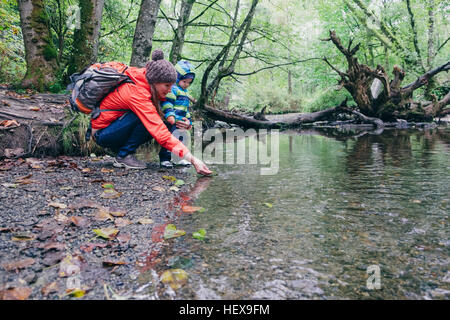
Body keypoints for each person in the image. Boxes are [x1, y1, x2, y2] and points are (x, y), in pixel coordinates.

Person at [90, 49, 211, 175]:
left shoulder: (148, 81)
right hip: (102, 134)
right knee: (146, 119)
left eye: (172, 85)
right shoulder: (137, 93)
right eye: (167, 85)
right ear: (155, 82)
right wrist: (193, 159)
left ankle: (124, 152)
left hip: (115, 127)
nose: (170, 90)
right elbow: (159, 130)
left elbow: (167, 113)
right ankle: (123, 156)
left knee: (165, 119)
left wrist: (186, 123)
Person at [159, 60, 197, 168]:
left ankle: (179, 158)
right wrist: (170, 115)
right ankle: (165, 159)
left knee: (182, 140)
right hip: (173, 121)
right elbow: (167, 103)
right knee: (170, 139)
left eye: (189, 82)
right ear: (177, 78)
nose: (187, 84)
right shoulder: (173, 89)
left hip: (181, 121)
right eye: (184, 81)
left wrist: (188, 120)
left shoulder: (185, 93)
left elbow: (185, 109)